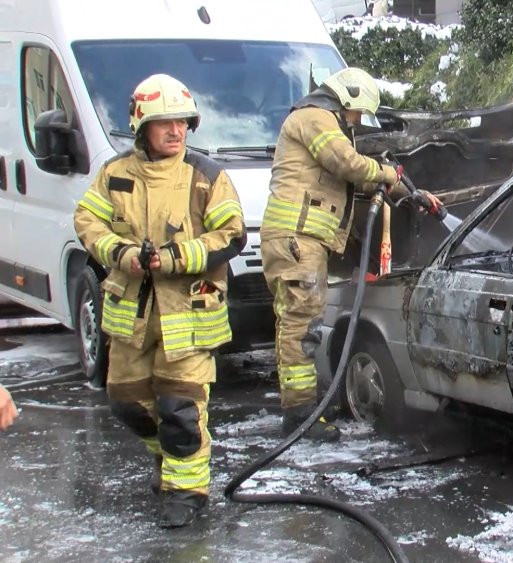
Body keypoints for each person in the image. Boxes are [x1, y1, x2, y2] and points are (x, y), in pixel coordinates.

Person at [74, 74, 246, 528]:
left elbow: (231, 235)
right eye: (164, 122)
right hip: (132, 313)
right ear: (141, 127)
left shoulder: (205, 176)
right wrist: (121, 253)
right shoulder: (115, 175)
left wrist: (173, 258)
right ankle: (171, 459)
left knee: (180, 409)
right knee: (126, 402)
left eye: (183, 122)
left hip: (187, 315)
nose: (176, 131)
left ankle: (185, 492)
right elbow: (87, 221)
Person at [261, 67, 440, 439]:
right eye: (358, 113)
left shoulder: (319, 119)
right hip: (297, 240)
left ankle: (299, 412)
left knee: (299, 326)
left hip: (301, 240)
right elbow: (347, 164)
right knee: (300, 328)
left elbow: (357, 180)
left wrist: (414, 194)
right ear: (349, 98)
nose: (357, 122)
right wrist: (386, 172)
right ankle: (299, 417)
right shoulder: (314, 118)